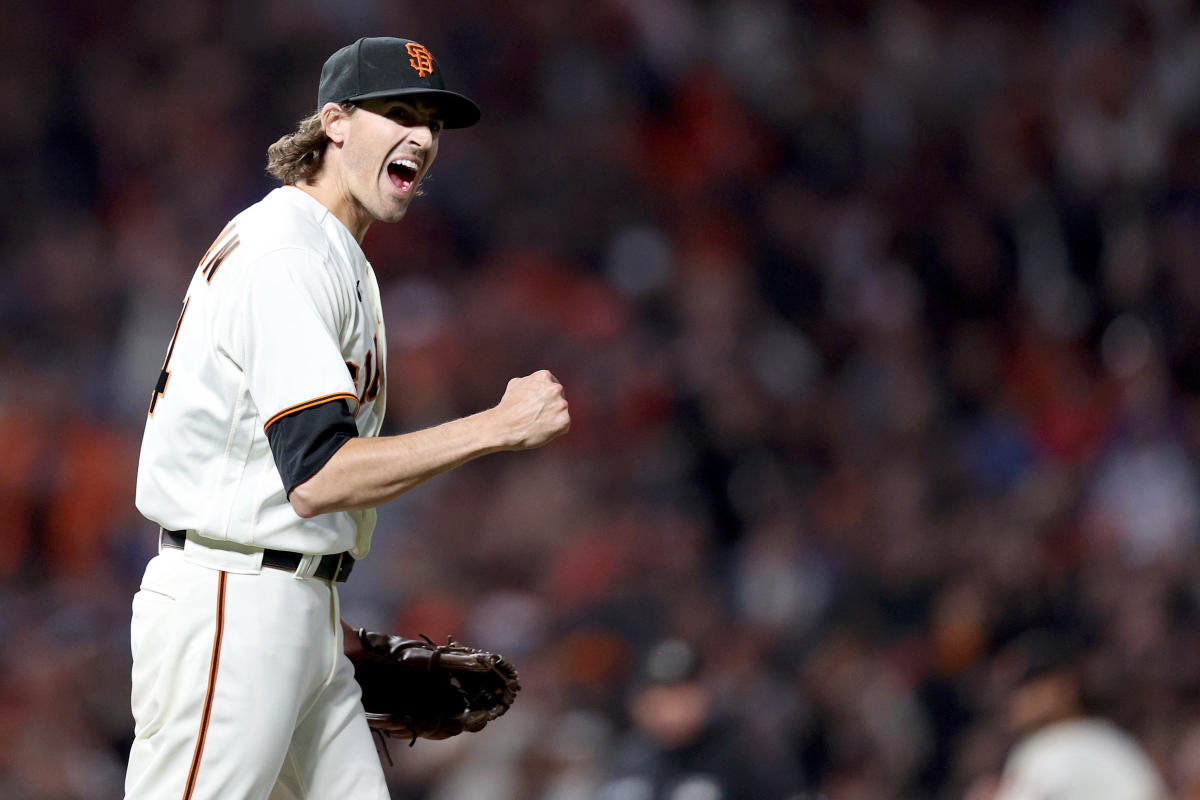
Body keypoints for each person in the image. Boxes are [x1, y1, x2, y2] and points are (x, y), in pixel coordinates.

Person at [124, 36, 570, 800]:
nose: (423, 138)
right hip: (231, 602)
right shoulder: (288, 254)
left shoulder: (333, 252)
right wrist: (494, 426)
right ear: (333, 122)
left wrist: (315, 615)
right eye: (397, 112)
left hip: (287, 604)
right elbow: (319, 477)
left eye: (431, 122)